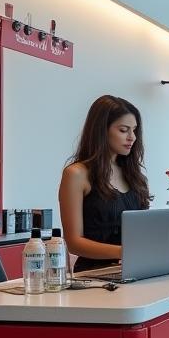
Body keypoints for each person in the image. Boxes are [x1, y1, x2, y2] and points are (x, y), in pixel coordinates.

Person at [59, 95, 151, 271]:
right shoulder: (76, 174)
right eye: (124, 130)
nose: (132, 137)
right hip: (94, 275)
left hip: (133, 269)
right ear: (102, 130)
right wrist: (123, 252)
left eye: (134, 130)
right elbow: (74, 243)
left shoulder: (134, 176)